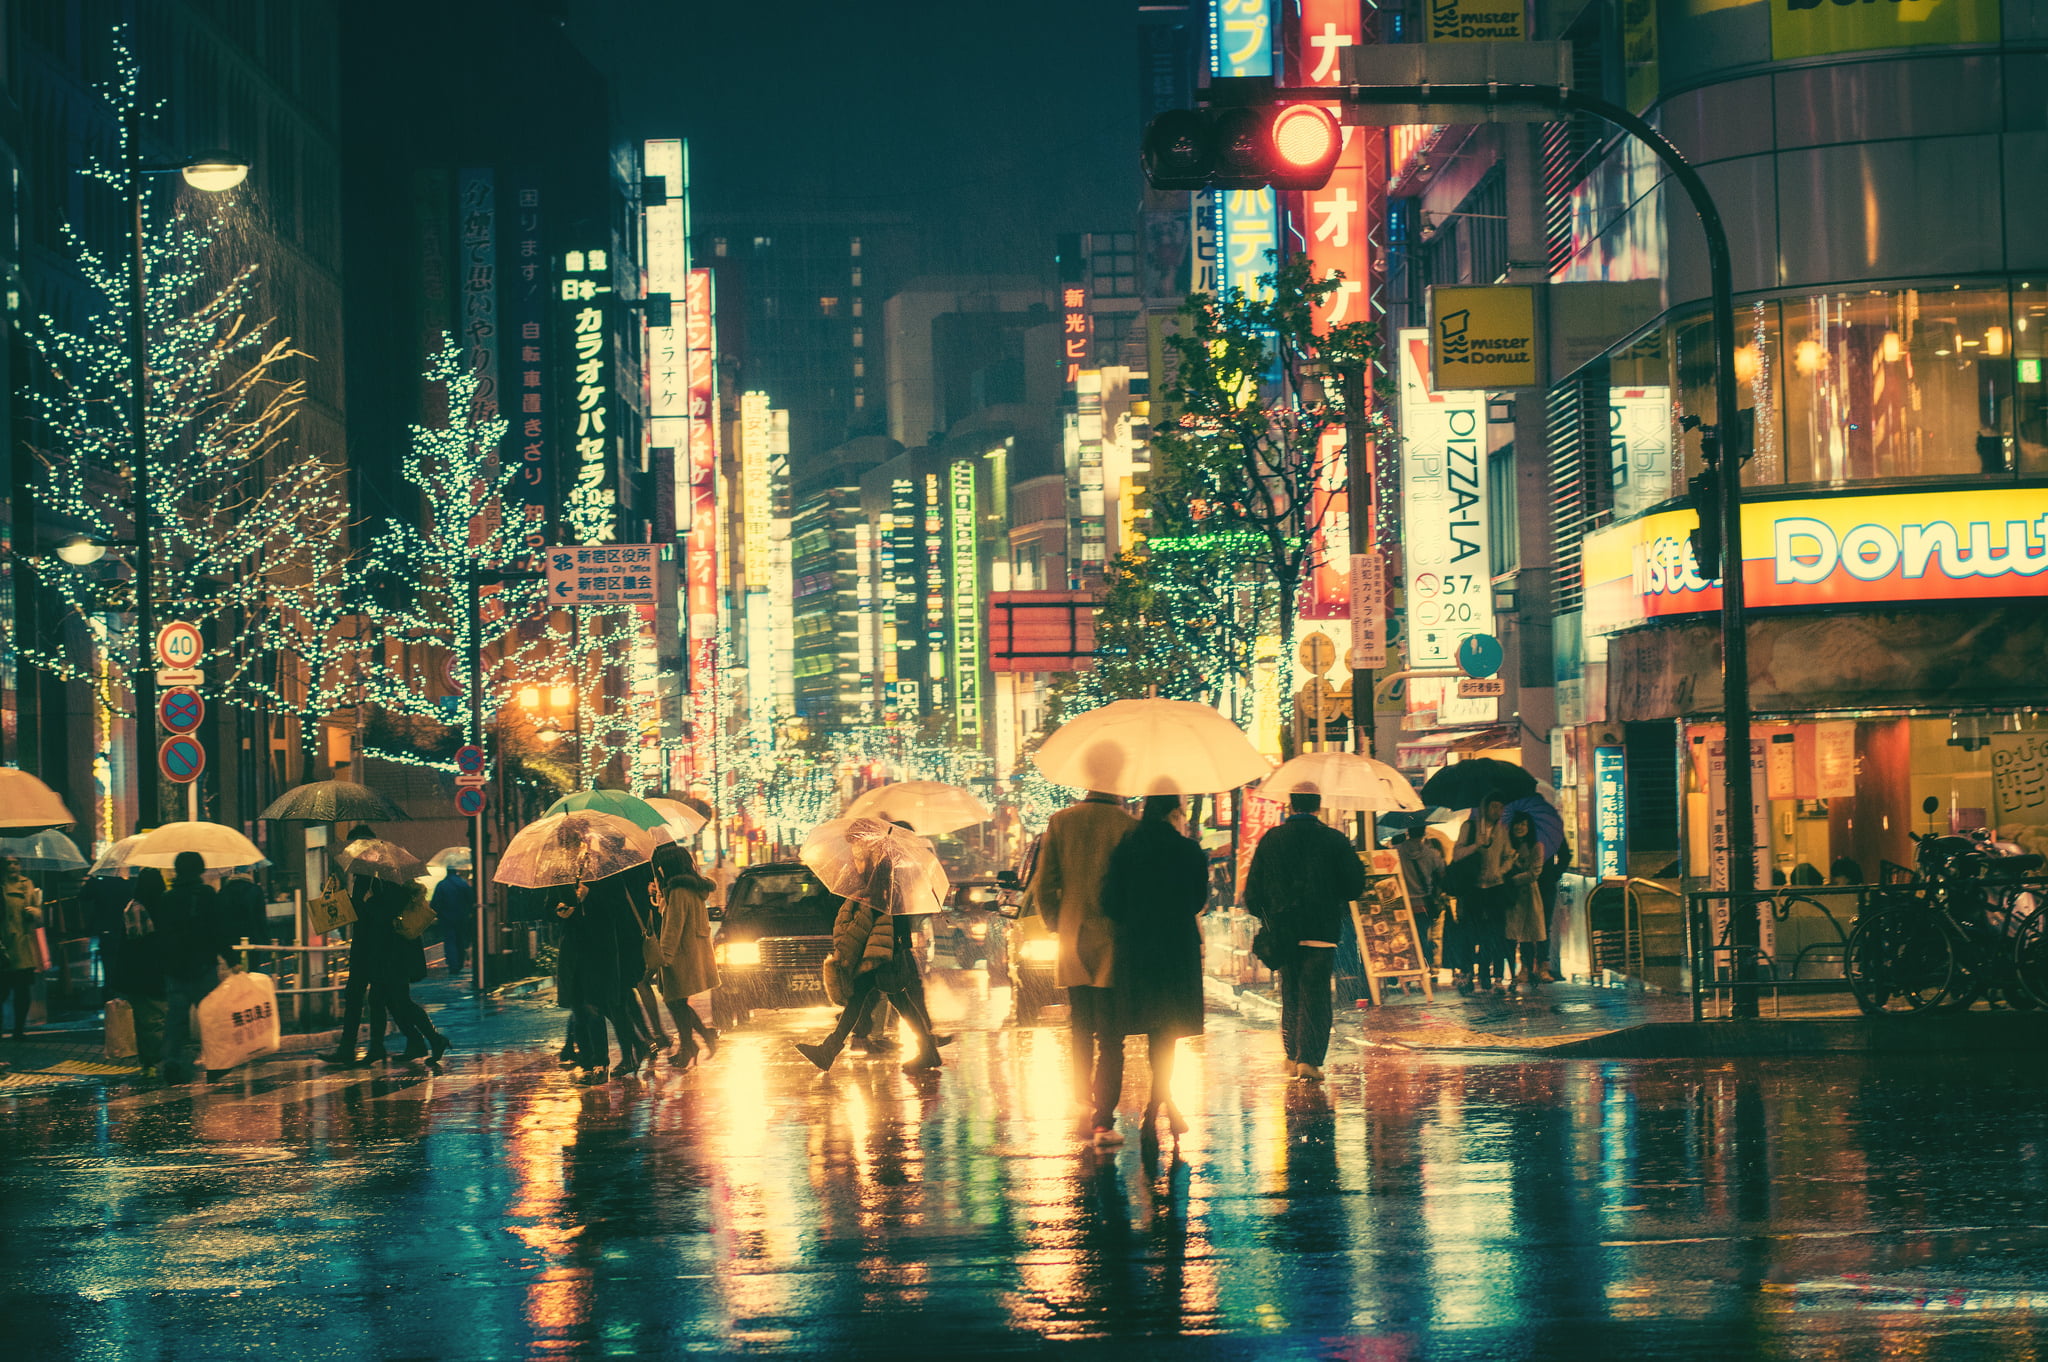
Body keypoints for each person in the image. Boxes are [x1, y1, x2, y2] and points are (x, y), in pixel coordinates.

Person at [1025, 790, 1138, 1146]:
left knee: (1080, 1028)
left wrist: (1058, 923)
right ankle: (1104, 1119)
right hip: (1114, 940)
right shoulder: (1128, 826)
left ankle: (1079, 1098)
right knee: (1111, 1036)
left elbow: (1044, 884)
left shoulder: (1061, 822)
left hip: (1073, 938)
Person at [1100, 795, 1208, 1144]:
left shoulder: (1125, 849)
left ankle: (1162, 1103)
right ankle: (1160, 1103)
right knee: (1166, 1033)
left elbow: (1110, 902)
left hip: (1137, 947)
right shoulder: (1189, 851)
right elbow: (1195, 901)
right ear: (1174, 813)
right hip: (1177, 948)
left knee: (1149, 1025)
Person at [1244, 792, 1367, 1082]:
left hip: (1284, 930)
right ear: (1318, 805)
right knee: (1316, 993)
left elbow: (1253, 892)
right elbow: (1354, 886)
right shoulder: (1335, 840)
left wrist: (1270, 915)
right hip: (1321, 929)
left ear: (1291, 804)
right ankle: (1308, 1061)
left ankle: (1291, 1054)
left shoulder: (1272, 840)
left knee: (1291, 991)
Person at [796, 844, 948, 1074]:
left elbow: (883, 921)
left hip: (880, 956)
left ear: (872, 859)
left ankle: (829, 1050)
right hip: (883, 954)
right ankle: (928, 1052)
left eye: (859, 858)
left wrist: (864, 903)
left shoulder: (881, 887)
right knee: (891, 1003)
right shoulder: (883, 884)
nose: (856, 861)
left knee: (867, 1000)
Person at [324, 873, 445, 1067]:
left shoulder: (385, 884)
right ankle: (385, 1046)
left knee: (398, 1001)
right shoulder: (369, 882)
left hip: (389, 954)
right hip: (377, 952)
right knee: (380, 1000)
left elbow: (378, 916)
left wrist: (352, 902)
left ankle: (432, 1039)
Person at [556, 870, 649, 1082]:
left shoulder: (606, 874)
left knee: (599, 1006)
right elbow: (548, 905)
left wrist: (589, 896)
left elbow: (618, 907)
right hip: (573, 950)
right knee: (580, 1008)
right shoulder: (562, 874)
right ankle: (591, 1063)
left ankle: (602, 1063)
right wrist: (559, 909)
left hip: (603, 949)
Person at [153, 851, 236, 1081]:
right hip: (203, 966)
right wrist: (232, 960)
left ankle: (172, 1060)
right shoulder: (207, 894)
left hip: (175, 968)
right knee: (210, 1017)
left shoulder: (166, 898)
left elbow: (162, 933)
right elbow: (218, 930)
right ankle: (216, 1062)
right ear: (199, 870)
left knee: (175, 1018)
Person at [653, 842, 720, 1067]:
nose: (658, 870)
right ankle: (694, 1043)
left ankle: (691, 1045)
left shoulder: (679, 890)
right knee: (677, 1002)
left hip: (681, 954)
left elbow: (674, 926)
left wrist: (665, 956)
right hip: (689, 952)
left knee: (675, 1001)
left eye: (660, 866)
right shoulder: (688, 888)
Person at [1449, 797, 1514, 997]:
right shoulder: (1469, 827)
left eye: (1501, 806)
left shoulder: (1502, 831)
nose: (1498, 810)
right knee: (1470, 934)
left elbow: (1509, 855)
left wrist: (1501, 871)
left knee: (1495, 935)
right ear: (1485, 808)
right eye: (1494, 806)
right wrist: (1476, 845)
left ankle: (1493, 978)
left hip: (1495, 888)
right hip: (1472, 889)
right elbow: (1457, 854)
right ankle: (1468, 974)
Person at [114, 869, 169, 1075]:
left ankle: (149, 1062)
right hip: (159, 971)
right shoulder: (165, 906)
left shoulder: (132, 908)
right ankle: (158, 1060)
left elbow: (129, 944)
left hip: (137, 974)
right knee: (160, 1017)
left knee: (145, 1020)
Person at [1502, 814, 1548, 994]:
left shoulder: (1537, 847)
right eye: (1517, 824)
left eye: (1524, 824)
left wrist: (1513, 879)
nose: (1520, 827)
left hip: (1528, 896)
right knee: (1511, 937)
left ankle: (1530, 970)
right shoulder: (1507, 846)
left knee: (1529, 938)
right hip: (1511, 898)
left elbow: (1534, 872)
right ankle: (1513, 975)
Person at [2, 856, 44, 1041]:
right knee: (2, 993)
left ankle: (19, 1030)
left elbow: (37, 910)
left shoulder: (27, 884)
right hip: (5, 945)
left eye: (16, 863)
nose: (13, 866)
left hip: (23, 945)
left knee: (23, 992)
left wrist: (35, 912)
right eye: (8, 863)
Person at [1393, 831, 1447, 968]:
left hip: (1402, 904)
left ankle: (1407, 967)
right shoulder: (1432, 854)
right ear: (1423, 831)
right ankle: (1423, 966)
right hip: (1423, 904)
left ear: (1408, 831)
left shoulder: (1397, 852)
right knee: (1422, 937)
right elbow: (1442, 874)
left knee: (1403, 939)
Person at [432, 866, 475, 976]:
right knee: (460, 940)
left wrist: (440, 913)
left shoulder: (441, 885)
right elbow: (471, 900)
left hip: (447, 919)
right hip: (462, 918)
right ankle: (460, 963)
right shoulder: (463, 884)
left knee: (450, 941)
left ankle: (453, 965)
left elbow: (435, 903)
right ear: (457, 871)